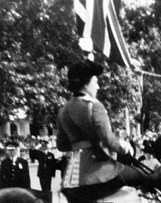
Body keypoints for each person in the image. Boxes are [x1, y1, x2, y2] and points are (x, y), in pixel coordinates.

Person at [56, 60, 140, 196]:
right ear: (86, 84)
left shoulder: (63, 110)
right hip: (98, 171)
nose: (98, 87)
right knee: (139, 176)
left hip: (72, 176)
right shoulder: (95, 106)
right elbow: (108, 140)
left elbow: (61, 145)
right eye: (95, 82)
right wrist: (124, 147)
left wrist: (78, 144)